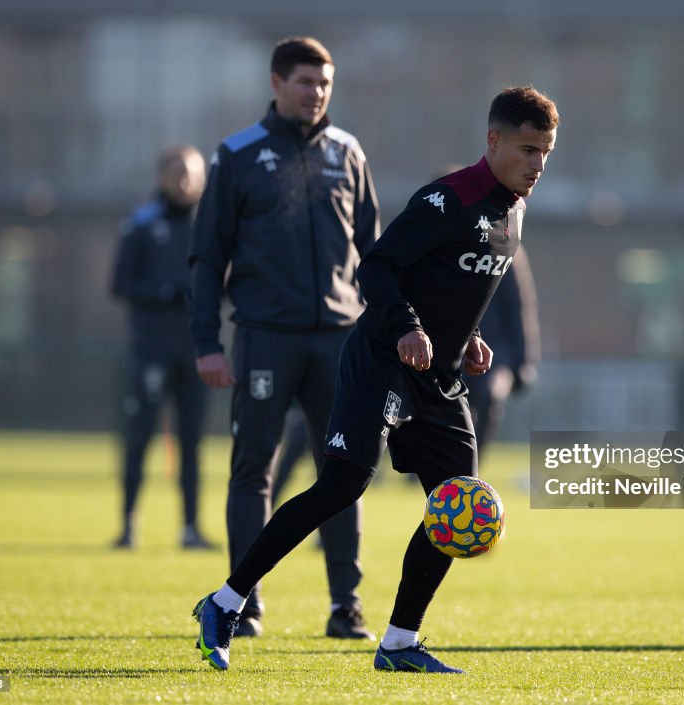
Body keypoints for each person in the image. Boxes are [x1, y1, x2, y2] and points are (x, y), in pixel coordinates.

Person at [192, 86, 559, 673]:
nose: (537, 164)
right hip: (383, 360)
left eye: (545, 151)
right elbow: (380, 267)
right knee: (341, 486)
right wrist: (408, 328)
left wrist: (467, 340)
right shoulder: (447, 199)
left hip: (439, 379)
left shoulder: (514, 208)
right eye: (527, 149)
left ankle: (398, 643)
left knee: (456, 503)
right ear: (493, 141)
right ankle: (226, 601)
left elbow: (458, 285)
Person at [188, 36, 380, 640]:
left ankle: (344, 605)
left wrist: (385, 330)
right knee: (253, 472)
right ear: (276, 83)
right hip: (265, 337)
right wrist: (206, 342)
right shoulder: (237, 154)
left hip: (340, 342)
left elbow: (374, 253)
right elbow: (207, 256)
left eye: (324, 84)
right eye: (305, 82)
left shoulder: (348, 152)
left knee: (342, 472)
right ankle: (241, 604)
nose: (316, 93)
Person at [111, 144, 215, 550]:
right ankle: (128, 526)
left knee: (192, 444)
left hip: (197, 352)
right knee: (138, 438)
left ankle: (190, 529)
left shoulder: (210, 226)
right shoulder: (140, 224)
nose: (185, 180)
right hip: (150, 350)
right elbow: (120, 284)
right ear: (161, 176)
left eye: (191, 173)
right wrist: (166, 291)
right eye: (177, 172)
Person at [465, 246, 540, 459]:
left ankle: (471, 465)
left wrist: (522, 362)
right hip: (456, 341)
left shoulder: (508, 246)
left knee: (490, 399)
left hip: (496, 352)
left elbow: (519, 305)